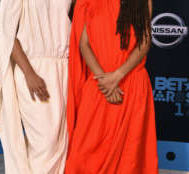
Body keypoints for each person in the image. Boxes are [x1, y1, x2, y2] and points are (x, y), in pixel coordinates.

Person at [65, 0, 159, 173]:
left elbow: (144, 42)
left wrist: (116, 77)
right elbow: (83, 44)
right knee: (81, 155)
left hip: (130, 83)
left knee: (129, 159)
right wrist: (103, 80)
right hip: (99, 83)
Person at [0, 0, 72, 173]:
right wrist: (29, 73)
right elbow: (7, 34)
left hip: (64, 67)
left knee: (61, 143)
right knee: (45, 143)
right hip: (32, 66)